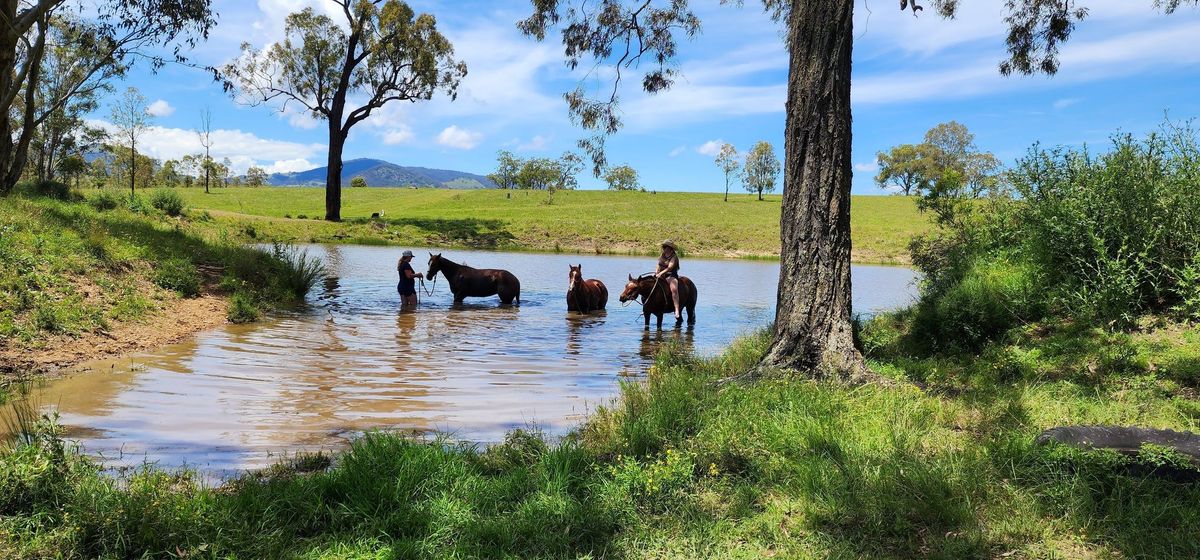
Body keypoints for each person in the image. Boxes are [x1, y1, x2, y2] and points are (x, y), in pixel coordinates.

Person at [655, 240, 682, 324]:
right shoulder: (662, 255)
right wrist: (656, 272)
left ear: (670, 248)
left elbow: (670, 268)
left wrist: (661, 273)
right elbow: (658, 264)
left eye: (665, 247)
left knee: (674, 290)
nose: (663, 248)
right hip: (661, 275)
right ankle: (648, 307)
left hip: (671, 275)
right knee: (651, 286)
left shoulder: (674, 256)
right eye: (663, 247)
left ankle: (676, 310)